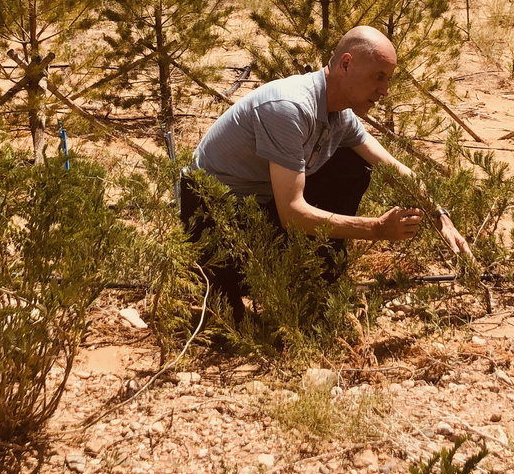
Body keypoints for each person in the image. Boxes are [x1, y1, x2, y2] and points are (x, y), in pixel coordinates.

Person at [179, 25, 470, 322]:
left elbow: (393, 167)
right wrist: (377, 229)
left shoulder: (339, 114)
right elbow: (292, 213)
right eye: (378, 77)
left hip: (256, 207)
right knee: (228, 325)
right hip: (211, 215)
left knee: (352, 164)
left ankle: (314, 287)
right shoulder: (289, 107)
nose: (384, 91)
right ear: (346, 64)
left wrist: (440, 216)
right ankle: (221, 285)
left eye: (389, 80)